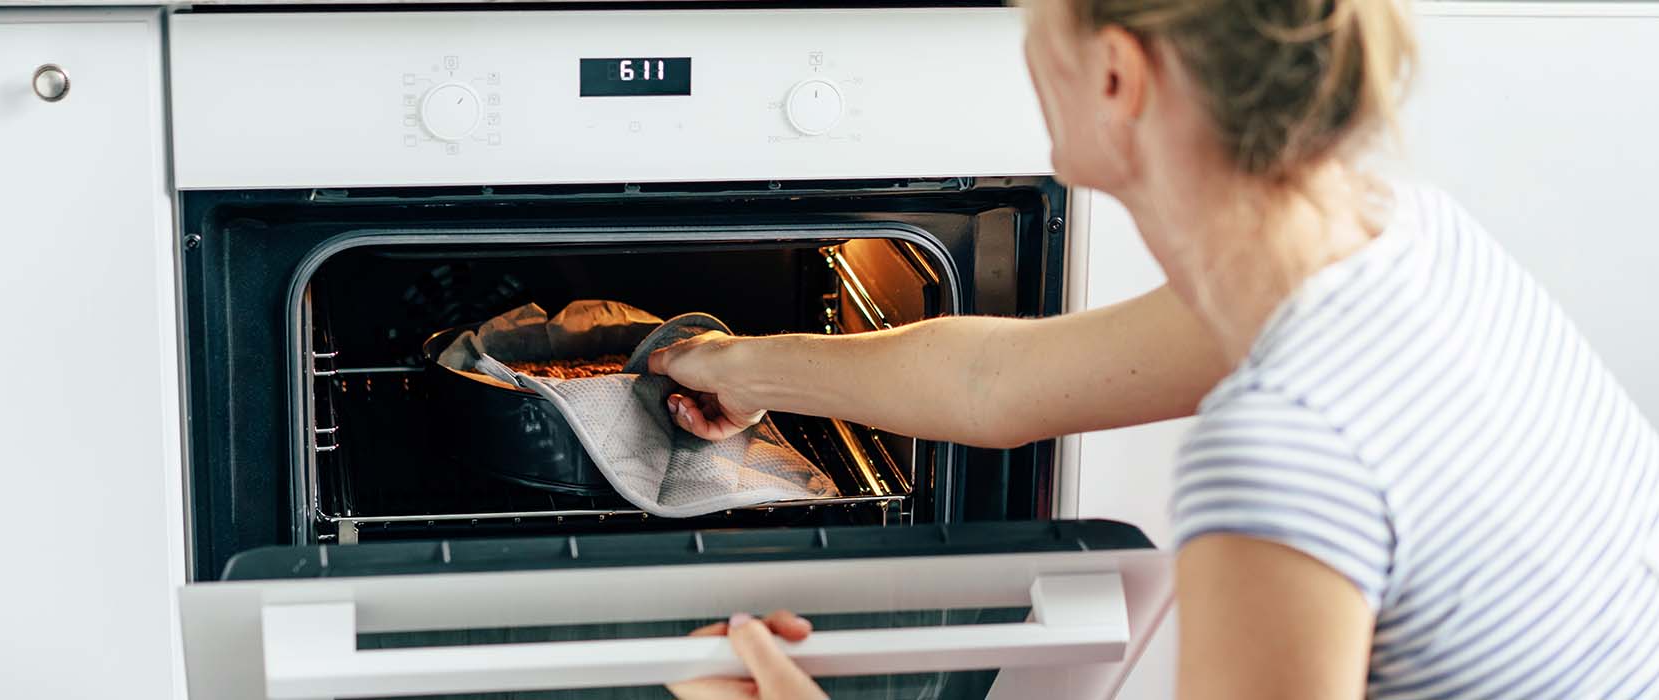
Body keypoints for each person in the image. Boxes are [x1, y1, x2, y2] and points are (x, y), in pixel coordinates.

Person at [656, 0, 1659, 698]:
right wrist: (737, 367)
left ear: (1114, 73)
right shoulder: (1394, 238)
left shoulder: (1285, 442)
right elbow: (992, 381)